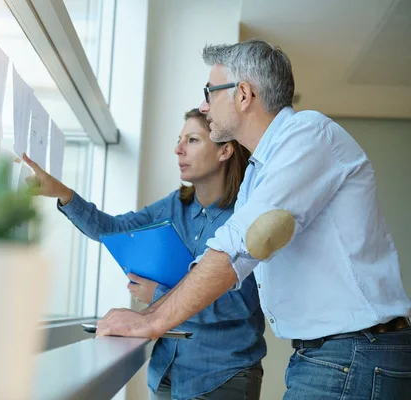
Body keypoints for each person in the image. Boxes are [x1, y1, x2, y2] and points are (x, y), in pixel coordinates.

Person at [96, 39, 411, 399]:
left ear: (243, 94)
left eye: (210, 92)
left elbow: (236, 250)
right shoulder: (259, 171)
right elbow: (233, 259)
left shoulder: (307, 135)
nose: (203, 105)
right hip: (332, 355)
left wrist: (150, 320)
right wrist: (151, 313)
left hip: (353, 354)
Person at [23, 109, 266, 400]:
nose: (178, 150)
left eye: (192, 140)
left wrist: (160, 294)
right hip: (166, 374)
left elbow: (239, 304)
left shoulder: (246, 215)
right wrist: (61, 192)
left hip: (222, 377)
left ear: (224, 150)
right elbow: (112, 229)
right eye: (179, 140)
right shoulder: (174, 206)